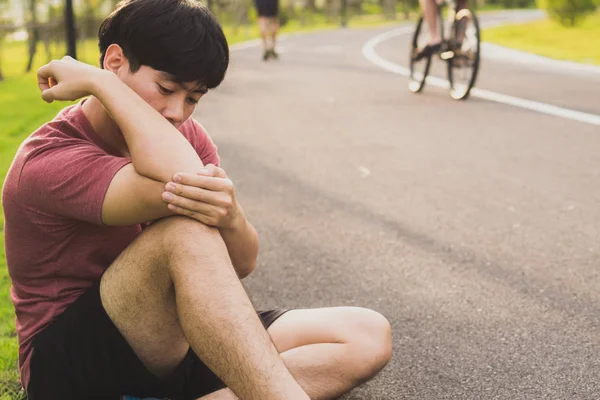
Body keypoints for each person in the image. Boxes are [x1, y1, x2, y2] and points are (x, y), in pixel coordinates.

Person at [2, 1, 392, 399]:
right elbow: (182, 184)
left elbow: (242, 262)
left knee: (365, 334)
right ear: (115, 60)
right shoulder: (49, 159)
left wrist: (232, 216)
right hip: (71, 367)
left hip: (174, 339)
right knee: (183, 231)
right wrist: (100, 83)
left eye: (193, 98)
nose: (176, 112)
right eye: (166, 89)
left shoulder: (184, 137)